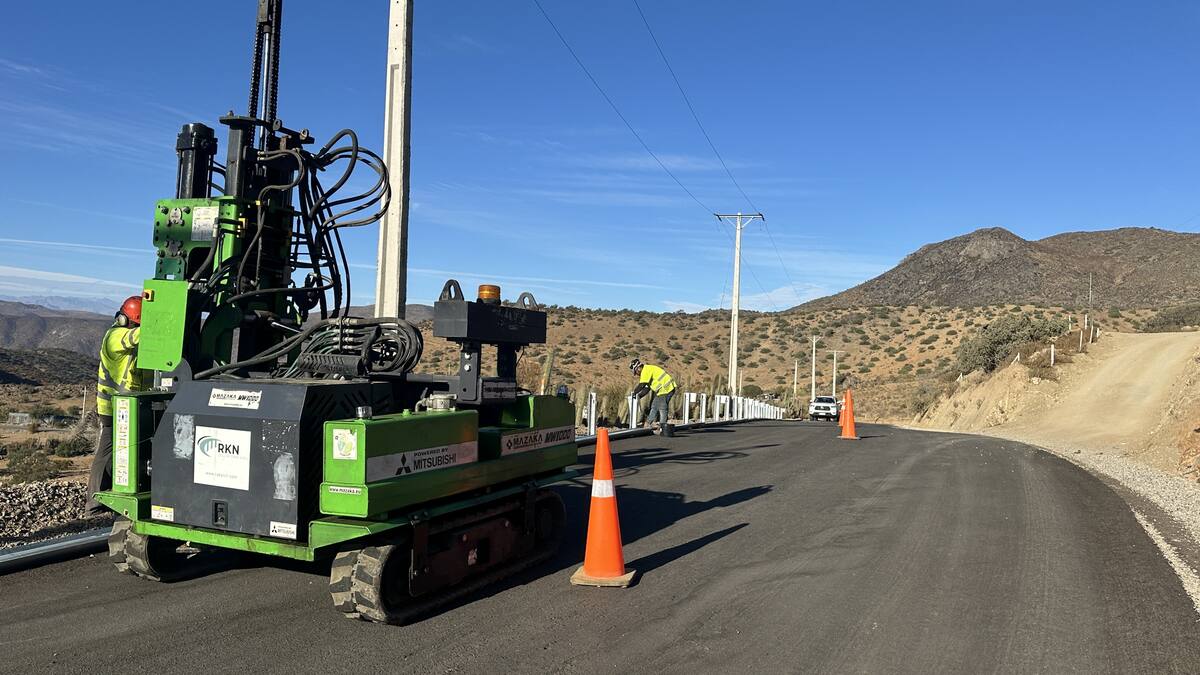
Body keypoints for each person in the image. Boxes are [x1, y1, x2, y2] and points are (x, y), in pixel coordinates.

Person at [86, 295, 149, 516]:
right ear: (125, 321)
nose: (135, 327)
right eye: (135, 323)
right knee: (107, 452)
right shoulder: (114, 337)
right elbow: (137, 336)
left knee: (124, 452)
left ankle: (113, 496)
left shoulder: (130, 338)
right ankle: (93, 504)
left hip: (129, 406)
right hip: (113, 407)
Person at [629, 358, 676, 431]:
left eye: (636, 372)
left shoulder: (646, 370)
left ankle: (663, 427)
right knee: (654, 406)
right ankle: (648, 423)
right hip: (662, 390)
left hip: (667, 389)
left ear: (638, 368)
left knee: (662, 408)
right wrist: (639, 396)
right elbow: (647, 388)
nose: (637, 374)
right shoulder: (646, 371)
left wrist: (634, 392)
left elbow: (642, 385)